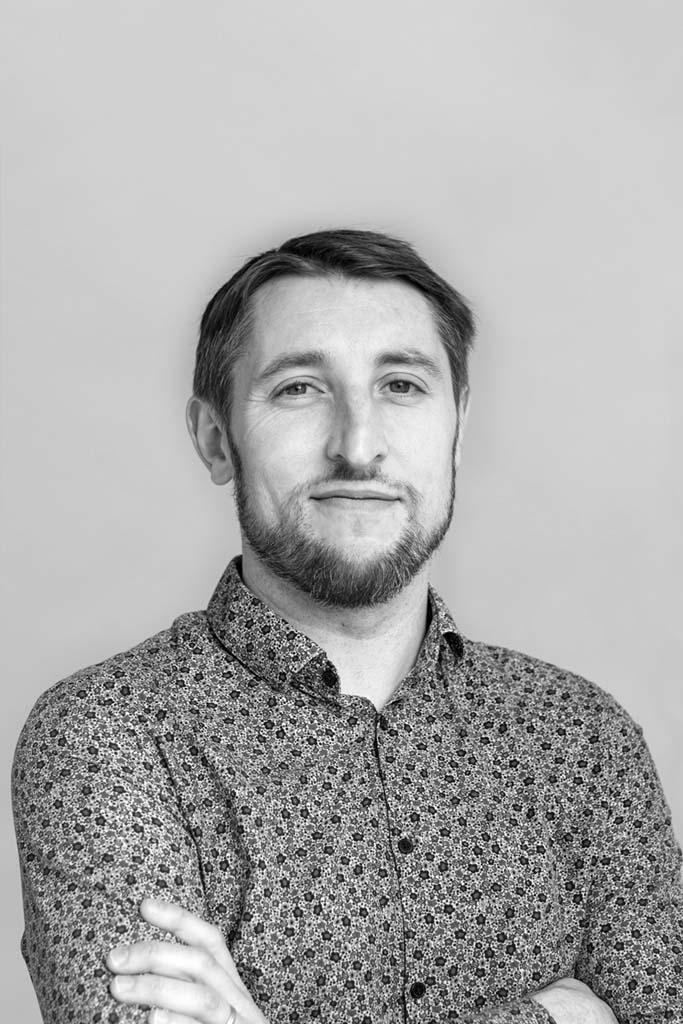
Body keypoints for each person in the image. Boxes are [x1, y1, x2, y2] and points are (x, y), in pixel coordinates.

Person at [12, 229, 682, 1024]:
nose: (357, 446)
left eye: (401, 385)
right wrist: (554, 1017)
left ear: (457, 429)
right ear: (216, 439)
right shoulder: (106, 733)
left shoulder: (581, 738)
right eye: (299, 388)